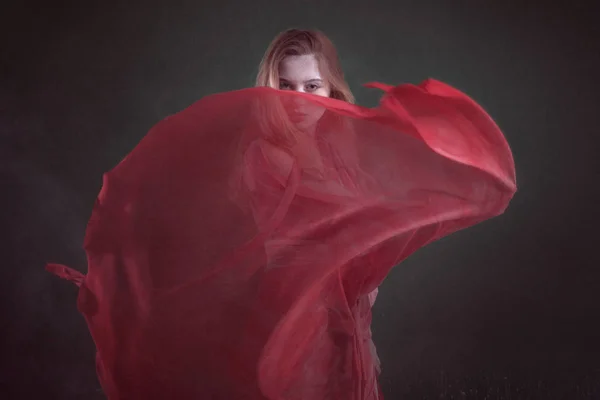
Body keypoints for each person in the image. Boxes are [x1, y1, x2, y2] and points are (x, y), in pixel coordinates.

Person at [48, 29, 517, 399]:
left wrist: (383, 252)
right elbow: (286, 249)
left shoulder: (342, 148)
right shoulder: (265, 154)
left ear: (330, 85)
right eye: (286, 86)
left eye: (311, 86)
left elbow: (359, 228)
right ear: (269, 88)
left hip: (350, 315)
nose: (298, 100)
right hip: (297, 317)